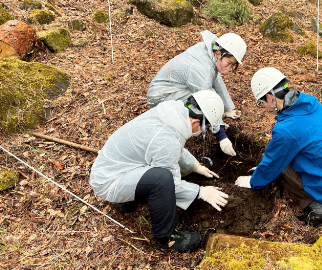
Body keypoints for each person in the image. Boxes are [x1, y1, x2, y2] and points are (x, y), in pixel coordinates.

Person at [90, 90, 229, 252]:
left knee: (157, 171)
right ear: (195, 122)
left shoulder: (171, 114)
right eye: (203, 127)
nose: (201, 132)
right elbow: (171, 180)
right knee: (162, 179)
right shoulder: (166, 139)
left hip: (115, 168)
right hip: (109, 182)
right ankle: (167, 238)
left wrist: (194, 166)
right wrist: (201, 191)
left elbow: (170, 148)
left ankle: (127, 200)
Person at [235, 67, 322, 228]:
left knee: (280, 168)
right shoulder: (309, 103)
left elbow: (273, 162)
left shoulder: (287, 129)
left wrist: (253, 182)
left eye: (261, 102)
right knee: (283, 155)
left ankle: (318, 211)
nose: (262, 107)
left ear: (270, 98)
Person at [147, 30, 247, 157]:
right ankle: (188, 123)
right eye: (229, 63)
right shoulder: (200, 67)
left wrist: (227, 108)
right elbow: (206, 99)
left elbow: (216, 79)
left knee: (206, 94)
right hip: (160, 97)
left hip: (176, 88)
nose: (229, 68)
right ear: (218, 53)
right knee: (199, 102)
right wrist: (221, 136)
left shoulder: (209, 52)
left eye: (232, 65)